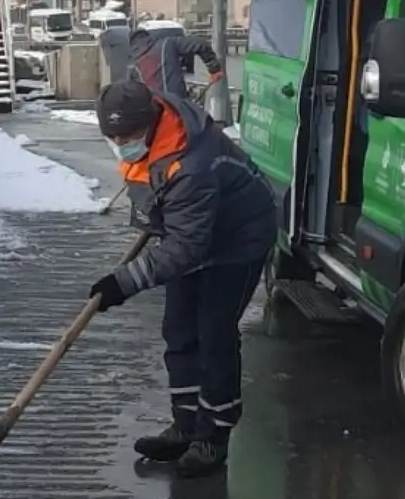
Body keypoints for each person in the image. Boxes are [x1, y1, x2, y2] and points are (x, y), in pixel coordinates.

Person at [88, 79, 277, 478]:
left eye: (127, 136)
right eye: (113, 136)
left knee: (214, 334)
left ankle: (213, 436)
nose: (120, 143)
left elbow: (184, 249)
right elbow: (157, 199)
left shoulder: (192, 165)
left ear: (151, 123)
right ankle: (185, 425)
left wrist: (122, 283)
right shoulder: (154, 133)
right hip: (193, 231)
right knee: (179, 330)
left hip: (238, 240)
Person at [124, 24, 227, 100]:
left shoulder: (132, 64)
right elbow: (200, 43)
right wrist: (214, 69)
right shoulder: (167, 44)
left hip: (155, 109)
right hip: (178, 104)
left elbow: (131, 92)